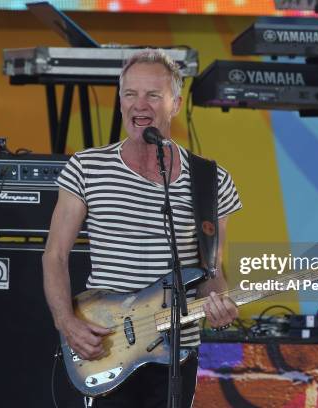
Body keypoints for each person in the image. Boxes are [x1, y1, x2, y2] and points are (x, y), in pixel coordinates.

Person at [42, 49, 242, 408]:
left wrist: (220, 306)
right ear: (120, 102)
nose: (140, 105)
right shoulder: (86, 168)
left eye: (153, 95)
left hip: (177, 350)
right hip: (107, 343)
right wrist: (66, 322)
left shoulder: (212, 180)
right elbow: (54, 256)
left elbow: (212, 271)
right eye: (131, 94)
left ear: (176, 104)